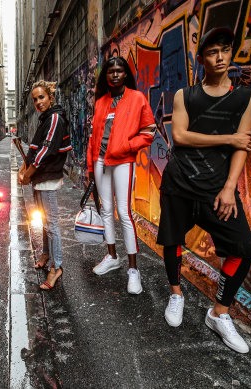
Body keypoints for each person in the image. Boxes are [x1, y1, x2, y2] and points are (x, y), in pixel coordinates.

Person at [157, 27, 251, 353]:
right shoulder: (185, 96)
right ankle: (176, 295)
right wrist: (228, 138)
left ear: (231, 54)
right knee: (172, 240)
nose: (219, 57)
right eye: (212, 51)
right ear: (201, 59)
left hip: (218, 188)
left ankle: (219, 313)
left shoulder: (246, 97)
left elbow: (244, 146)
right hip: (179, 182)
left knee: (242, 248)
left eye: (225, 50)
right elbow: (182, 137)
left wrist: (230, 188)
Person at [87, 56, 156, 294]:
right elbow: (93, 138)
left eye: (119, 71)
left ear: (125, 74)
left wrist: (125, 146)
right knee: (106, 210)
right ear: (105, 76)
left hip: (123, 161)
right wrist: (90, 166)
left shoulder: (137, 98)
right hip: (100, 162)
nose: (115, 75)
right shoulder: (101, 102)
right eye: (111, 71)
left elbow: (148, 131)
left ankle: (133, 270)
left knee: (124, 213)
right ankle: (111, 256)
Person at [19, 80, 71, 290]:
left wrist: (28, 173)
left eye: (41, 97)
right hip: (40, 179)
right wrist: (25, 169)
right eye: (35, 99)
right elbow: (34, 148)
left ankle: (56, 267)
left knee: (52, 224)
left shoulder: (55, 118)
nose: (38, 102)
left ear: (50, 97)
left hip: (47, 178)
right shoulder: (46, 118)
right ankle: (46, 254)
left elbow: (45, 151)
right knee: (44, 221)